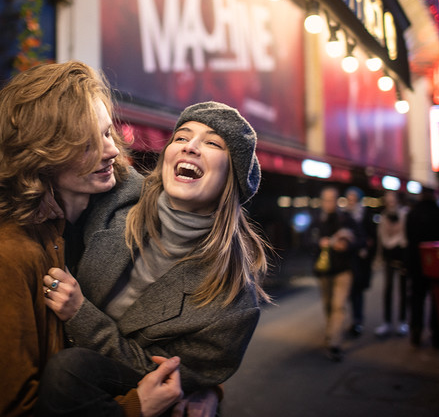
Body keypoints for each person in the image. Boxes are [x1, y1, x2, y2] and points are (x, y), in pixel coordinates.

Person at [0, 62, 181, 416]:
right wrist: (134, 409)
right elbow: (6, 410)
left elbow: (160, 333)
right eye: (87, 144)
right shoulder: (1, 257)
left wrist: (198, 389)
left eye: (108, 133)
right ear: (40, 154)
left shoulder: (95, 228)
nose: (110, 151)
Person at [36, 101, 272, 416]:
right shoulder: (114, 191)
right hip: (43, 360)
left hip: (115, 391)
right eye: (181, 137)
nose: (191, 147)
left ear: (234, 178)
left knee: (71, 370)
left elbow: (166, 379)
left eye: (213, 143)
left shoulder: (235, 300)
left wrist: (80, 313)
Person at [406, 187, 439, 347]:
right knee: (436, 300)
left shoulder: (412, 214)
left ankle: (416, 331)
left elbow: (409, 239)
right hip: (436, 264)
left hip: (417, 263)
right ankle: (437, 336)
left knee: (417, 298)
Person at [313, 186, 356, 362]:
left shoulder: (346, 219)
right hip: (324, 271)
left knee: (339, 306)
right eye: (326, 199)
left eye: (332, 199)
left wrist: (347, 244)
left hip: (343, 270)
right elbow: (307, 241)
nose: (329, 202)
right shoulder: (318, 220)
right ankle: (331, 333)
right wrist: (319, 243)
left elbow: (361, 239)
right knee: (328, 305)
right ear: (322, 201)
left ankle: (334, 343)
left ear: (337, 200)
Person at [374, 190, 409, 338]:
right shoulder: (383, 217)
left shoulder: (404, 215)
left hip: (402, 257)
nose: (390, 202)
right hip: (389, 257)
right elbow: (381, 239)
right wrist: (380, 256)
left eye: (392, 199)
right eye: (388, 200)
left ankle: (402, 321)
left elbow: (406, 235)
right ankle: (387, 322)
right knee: (388, 288)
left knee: (403, 289)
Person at [344, 186, 376, 338]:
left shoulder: (366, 214)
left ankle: (357, 321)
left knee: (357, 291)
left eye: (353, 198)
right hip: (348, 259)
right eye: (349, 198)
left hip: (362, 260)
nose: (351, 201)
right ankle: (352, 320)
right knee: (349, 291)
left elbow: (372, 238)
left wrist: (366, 247)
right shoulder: (343, 216)